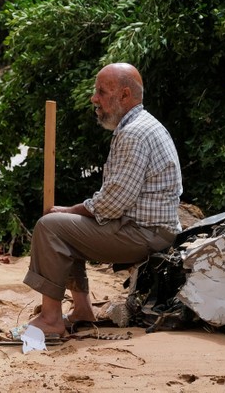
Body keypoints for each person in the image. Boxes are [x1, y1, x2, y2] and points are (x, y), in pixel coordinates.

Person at [21, 63, 182, 338]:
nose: (94, 99)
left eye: (101, 92)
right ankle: (82, 309)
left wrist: (71, 210)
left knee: (50, 227)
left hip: (144, 234)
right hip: (148, 229)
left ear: (124, 95)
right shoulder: (142, 125)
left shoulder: (133, 133)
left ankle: (50, 319)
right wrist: (76, 213)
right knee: (67, 225)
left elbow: (113, 202)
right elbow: (113, 202)